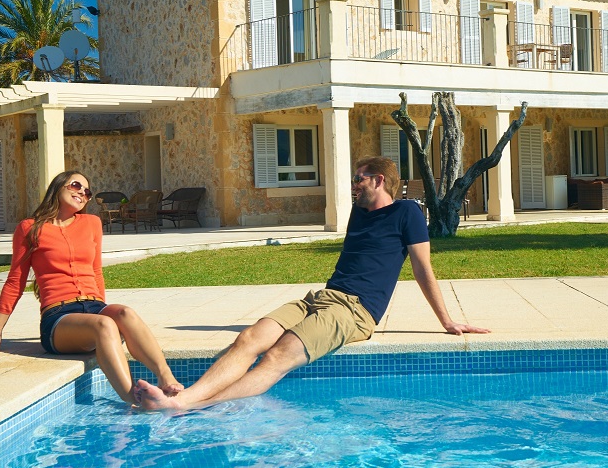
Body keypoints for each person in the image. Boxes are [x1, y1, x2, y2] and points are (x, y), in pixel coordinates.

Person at [136, 156, 488, 411]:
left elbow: (422, 267)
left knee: (277, 354)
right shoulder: (357, 213)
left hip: (356, 310)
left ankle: (189, 407)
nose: (353, 185)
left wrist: (446, 320)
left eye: (359, 179)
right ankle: (185, 397)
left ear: (379, 180)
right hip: (320, 298)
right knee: (248, 338)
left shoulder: (407, 212)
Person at [0, 169, 183, 406]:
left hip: (93, 307)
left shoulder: (92, 223)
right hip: (58, 316)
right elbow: (16, 280)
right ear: (58, 187)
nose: (83, 193)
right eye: (76, 186)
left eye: (87, 191)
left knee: (123, 312)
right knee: (104, 324)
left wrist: (103, 311)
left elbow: (96, 272)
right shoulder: (29, 228)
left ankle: (165, 375)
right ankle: (131, 400)